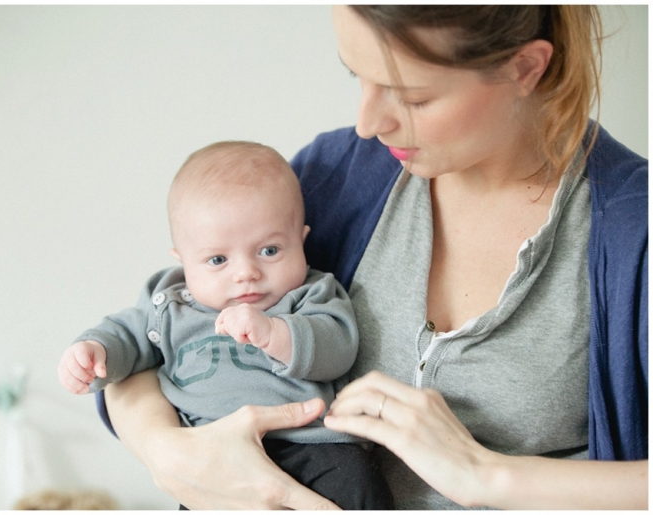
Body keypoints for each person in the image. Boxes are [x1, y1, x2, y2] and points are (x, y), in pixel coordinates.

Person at [97, 6, 648, 509]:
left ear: (525, 68)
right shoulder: (334, 175)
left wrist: (486, 474)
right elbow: (164, 329)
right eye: (356, 75)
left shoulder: (633, 230)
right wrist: (163, 449)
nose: (368, 123)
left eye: (411, 96)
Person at [58, 140, 394, 510]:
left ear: (300, 240)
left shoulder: (311, 293)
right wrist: (95, 351)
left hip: (315, 446)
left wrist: (275, 333)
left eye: (269, 250)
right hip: (212, 465)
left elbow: (338, 347)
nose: (246, 273)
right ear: (184, 261)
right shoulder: (169, 303)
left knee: (359, 483)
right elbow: (126, 336)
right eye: (218, 259)